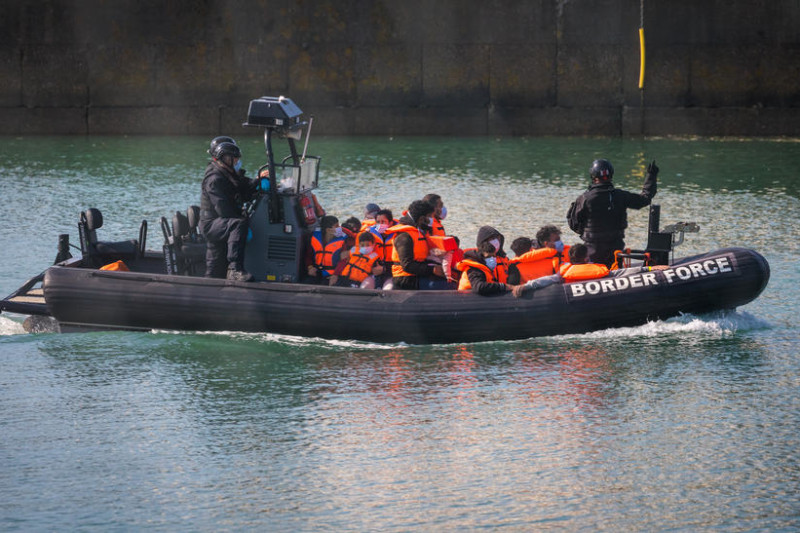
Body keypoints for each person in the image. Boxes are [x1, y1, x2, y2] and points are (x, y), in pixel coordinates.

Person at [567, 158, 659, 267]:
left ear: (593, 176)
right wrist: (651, 176)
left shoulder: (584, 198)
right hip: (615, 248)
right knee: (615, 269)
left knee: (595, 273)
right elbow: (644, 199)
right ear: (611, 175)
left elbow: (573, 222)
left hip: (592, 248)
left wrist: (585, 232)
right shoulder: (620, 196)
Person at [199, 139, 263, 281]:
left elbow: (241, 187)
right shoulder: (214, 179)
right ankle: (235, 269)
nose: (236, 162)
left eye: (236, 159)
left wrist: (258, 181)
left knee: (215, 268)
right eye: (233, 159)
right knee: (238, 223)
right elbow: (224, 210)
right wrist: (242, 218)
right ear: (223, 158)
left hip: (219, 223)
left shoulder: (226, 174)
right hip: (211, 224)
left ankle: (213, 286)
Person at [512, 243, 667, 297]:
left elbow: (544, 280)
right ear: (586, 258)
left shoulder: (562, 275)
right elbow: (624, 273)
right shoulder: (600, 271)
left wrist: (526, 286)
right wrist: (651, 268)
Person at [387, 200, 449, 290]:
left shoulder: (420, 230)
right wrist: (432, 270)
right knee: (446, 285)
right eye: (429, 216)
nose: (432, 220)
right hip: (405, 279)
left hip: (419, 273)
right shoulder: (404, 236)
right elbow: (407, 265)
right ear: (421, 219)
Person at [308, 215, 348, 283]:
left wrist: (336, 275)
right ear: (328, 230)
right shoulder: (315, 237)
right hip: (316, 271)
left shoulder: (343, 240)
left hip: (332, 273)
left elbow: (343, 261)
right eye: (337, 226)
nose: (340, 228)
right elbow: (308, 255)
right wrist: (310, 267)